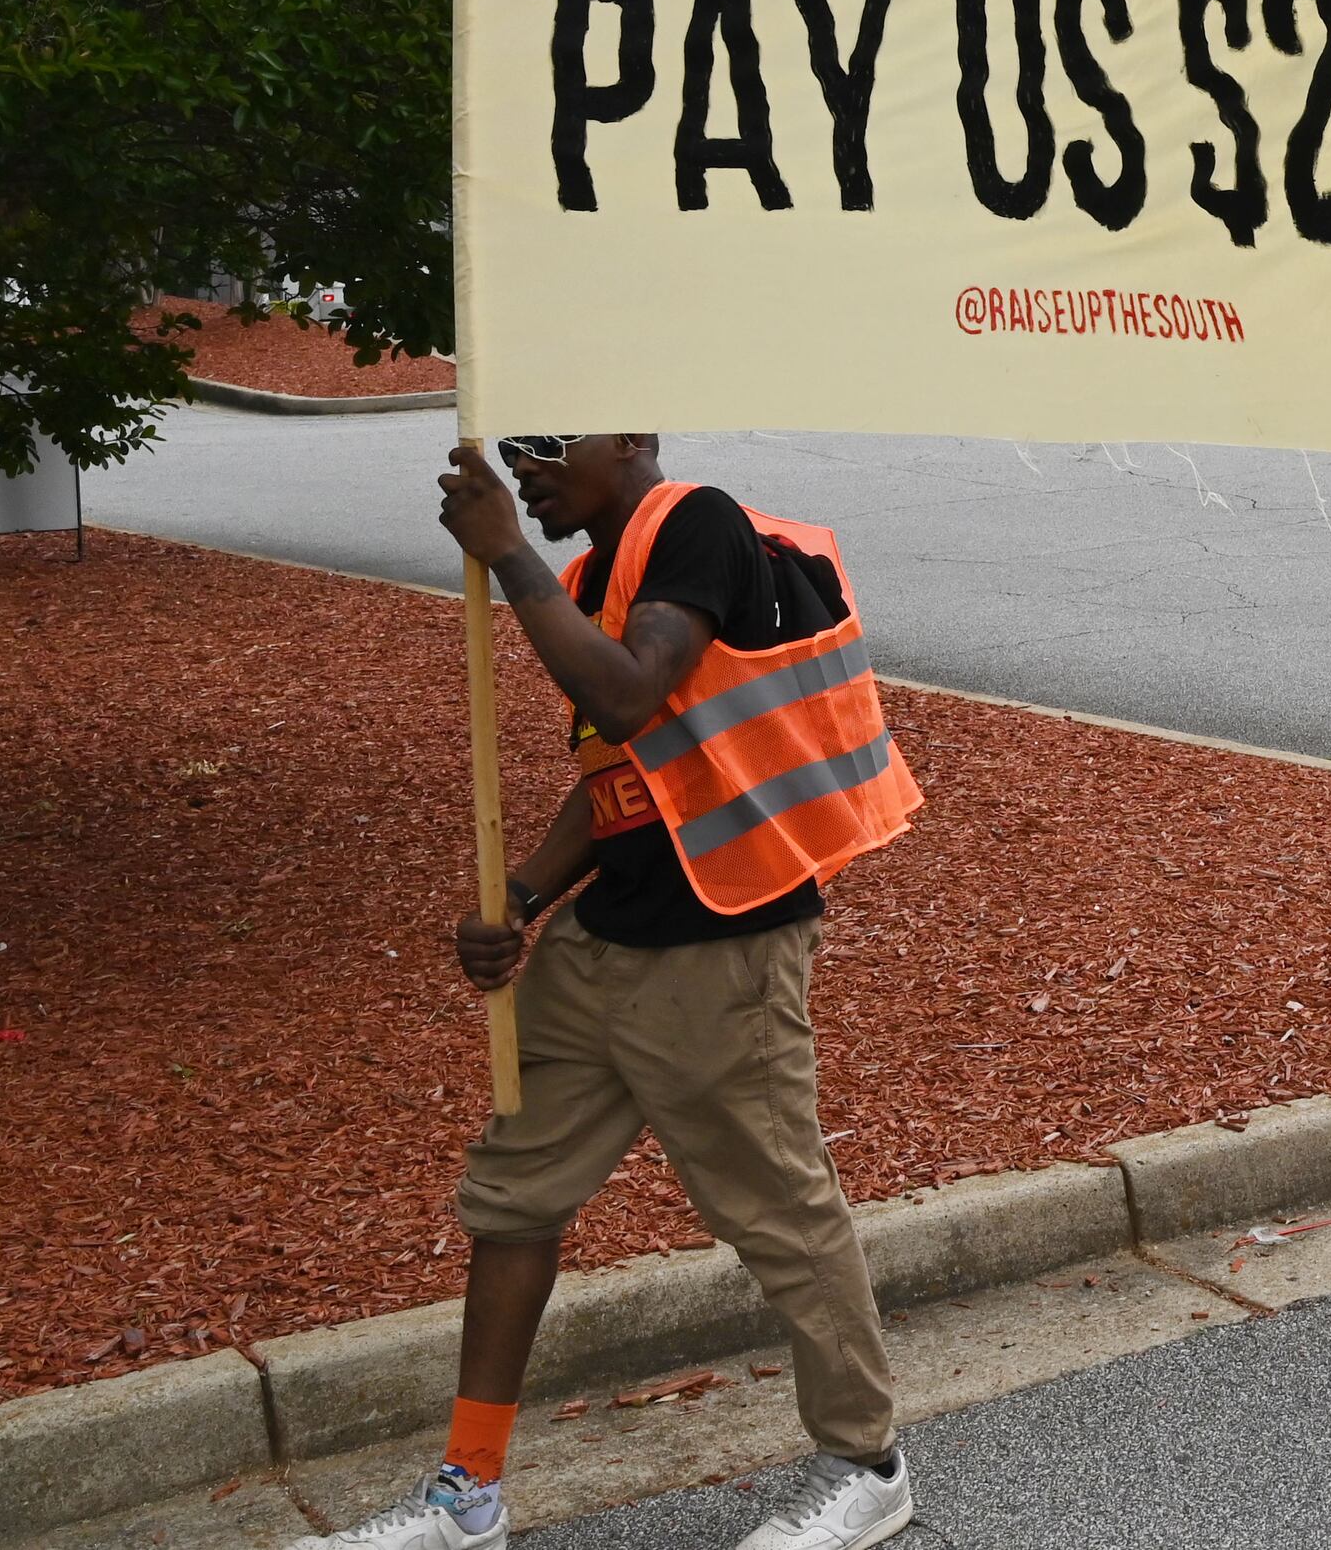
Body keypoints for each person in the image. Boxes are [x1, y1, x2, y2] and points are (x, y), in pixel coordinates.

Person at [341, 437, 919, 1550]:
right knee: (512, 1199)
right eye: (520, 449)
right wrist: (522, 893)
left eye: (555, 444)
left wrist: (508, 553)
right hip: (603, 952)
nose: (531, 466)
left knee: (783, 1217)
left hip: (727, 947)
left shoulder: (696, 523)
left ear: (635, 440)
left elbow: (632, 692)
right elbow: (621, 779)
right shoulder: (596, 576)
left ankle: (870, 1465)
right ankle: (468, 1497)